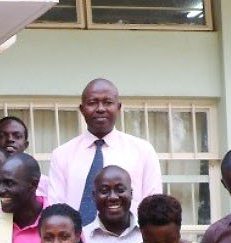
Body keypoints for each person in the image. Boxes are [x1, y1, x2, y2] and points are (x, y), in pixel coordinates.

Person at [46, 79, 162, 222]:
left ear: (119, 107)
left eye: (108, 102)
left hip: (130, 242)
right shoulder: (62, 155)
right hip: (75, 242)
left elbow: (154, 206)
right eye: (92, 102)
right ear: (82, 109)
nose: (100, 108)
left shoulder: (143, 151)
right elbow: (55, 208)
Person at [83, 165, 143, 243]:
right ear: (94, 196)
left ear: (131, 194)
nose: (113, 197)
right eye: (104, 191)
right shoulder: (83, 238)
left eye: (120, 190)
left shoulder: (146, 235)